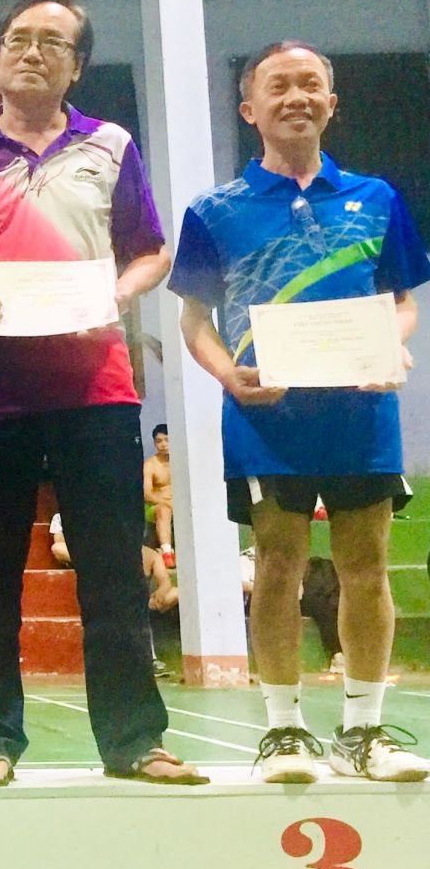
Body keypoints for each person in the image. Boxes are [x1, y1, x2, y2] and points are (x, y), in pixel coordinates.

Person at [0, 0, 202, 787]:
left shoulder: (111, 145)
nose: (33, 53)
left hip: (96, 387)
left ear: (76, 66)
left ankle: (134, 741)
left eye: (52, 43)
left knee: (113, 569)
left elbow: (151, 251)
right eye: (19, 40)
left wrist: (117, 294)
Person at [172, 39, 429, 783]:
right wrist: (229, 376)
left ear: (331, 103)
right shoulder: (215, 210)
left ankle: (363, 730)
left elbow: (401, 303)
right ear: (249, 109)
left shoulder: (375, 198)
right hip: (267, 419)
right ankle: (283, 731)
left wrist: (390, 347)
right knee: (278, 565)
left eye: (310, 84)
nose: (296, 97)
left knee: (366, 566)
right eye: (279, 86)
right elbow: (194, 319)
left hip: (360, 415)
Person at [142, 423, 175, 566]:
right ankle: (167, 553)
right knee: (164, 510)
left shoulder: (181, 461)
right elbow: (147, 494)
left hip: (178, 504)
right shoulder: (150, 464)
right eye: (159, 441)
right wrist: (167, 503)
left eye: (167, 440)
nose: (163, 445)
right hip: (155, 507)